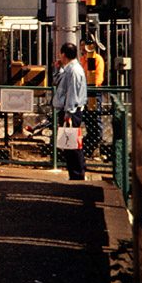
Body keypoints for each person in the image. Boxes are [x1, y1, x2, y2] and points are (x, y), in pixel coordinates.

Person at [53, 42, 87, 180]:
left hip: (72, 111)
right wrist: (58, 69)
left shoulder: (73, 70)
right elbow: (58, 81)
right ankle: (75, 174)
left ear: (63, 54)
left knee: (72, 144)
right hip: (70, 110)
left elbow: (72, 92)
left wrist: (69, 112)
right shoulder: (70, 68)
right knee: (70, 144)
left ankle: (77, 175)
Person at [81, 36, 105, 157]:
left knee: (94, 118)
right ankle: (89, 146)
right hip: (85, 92)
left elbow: (98, 77)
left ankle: (95, 142)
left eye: (84, 46)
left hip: (93, 92)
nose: (82, 49)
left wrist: (91, 85)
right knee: (88, 120)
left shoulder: (96, 59)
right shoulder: (83, 59)